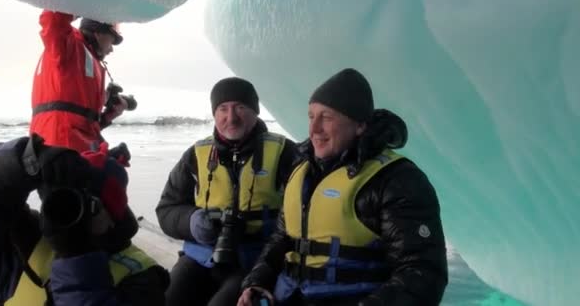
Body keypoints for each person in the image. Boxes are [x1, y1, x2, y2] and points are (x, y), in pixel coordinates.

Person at [237, 68, 448, 306]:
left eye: (326, 117)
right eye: (311, 116)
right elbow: (282, 238)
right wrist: (257, 282)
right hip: (289, 297)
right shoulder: (301, 170)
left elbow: (422, 272)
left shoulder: (396, 181)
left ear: (359, 126)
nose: (314, 128)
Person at [0, 135, 169, 305]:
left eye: (86, 203)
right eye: (62, 199)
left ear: (112, 217)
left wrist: (77, 255)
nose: (69, 210)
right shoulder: (26, 243)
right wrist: (28, 160)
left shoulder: (143, 278)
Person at [155, 77, 298, 306]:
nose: (230, 117)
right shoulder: (196, 155)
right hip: (200, 256)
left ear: (255, 112)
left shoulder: (285, 153)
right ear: (214, 113)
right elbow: (166, 209)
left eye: (240, 107)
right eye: (223, 109)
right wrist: (192, 222)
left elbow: (304, 214)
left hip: (254, 260)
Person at [29, 10, 130, 153]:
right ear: (98, 32)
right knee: (114, 173)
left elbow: (83, 122)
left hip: (76, 148)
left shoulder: (88, 59)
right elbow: (52, 20)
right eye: (111, 40)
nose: (111, 49)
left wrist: (109, 115)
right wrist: (82, 4)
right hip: (58, 148)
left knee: (115, 170)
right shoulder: (67, 46)